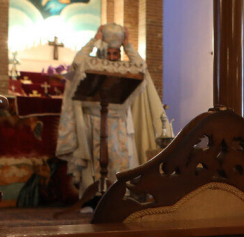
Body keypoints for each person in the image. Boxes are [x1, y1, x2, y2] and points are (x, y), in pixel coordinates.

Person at [55, 24, 166, 195]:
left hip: (118, 123)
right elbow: (78, 62)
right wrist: (95, 40)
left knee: (120, 161)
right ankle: (93, 198)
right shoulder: (94, 65)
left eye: (116, 53)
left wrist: (128, 45)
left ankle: (117, 195)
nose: (112, 57)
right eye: (109, 53)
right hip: (93, 122)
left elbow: (141, 66)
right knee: (93, 163)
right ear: (102, 52)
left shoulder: (125, 69)